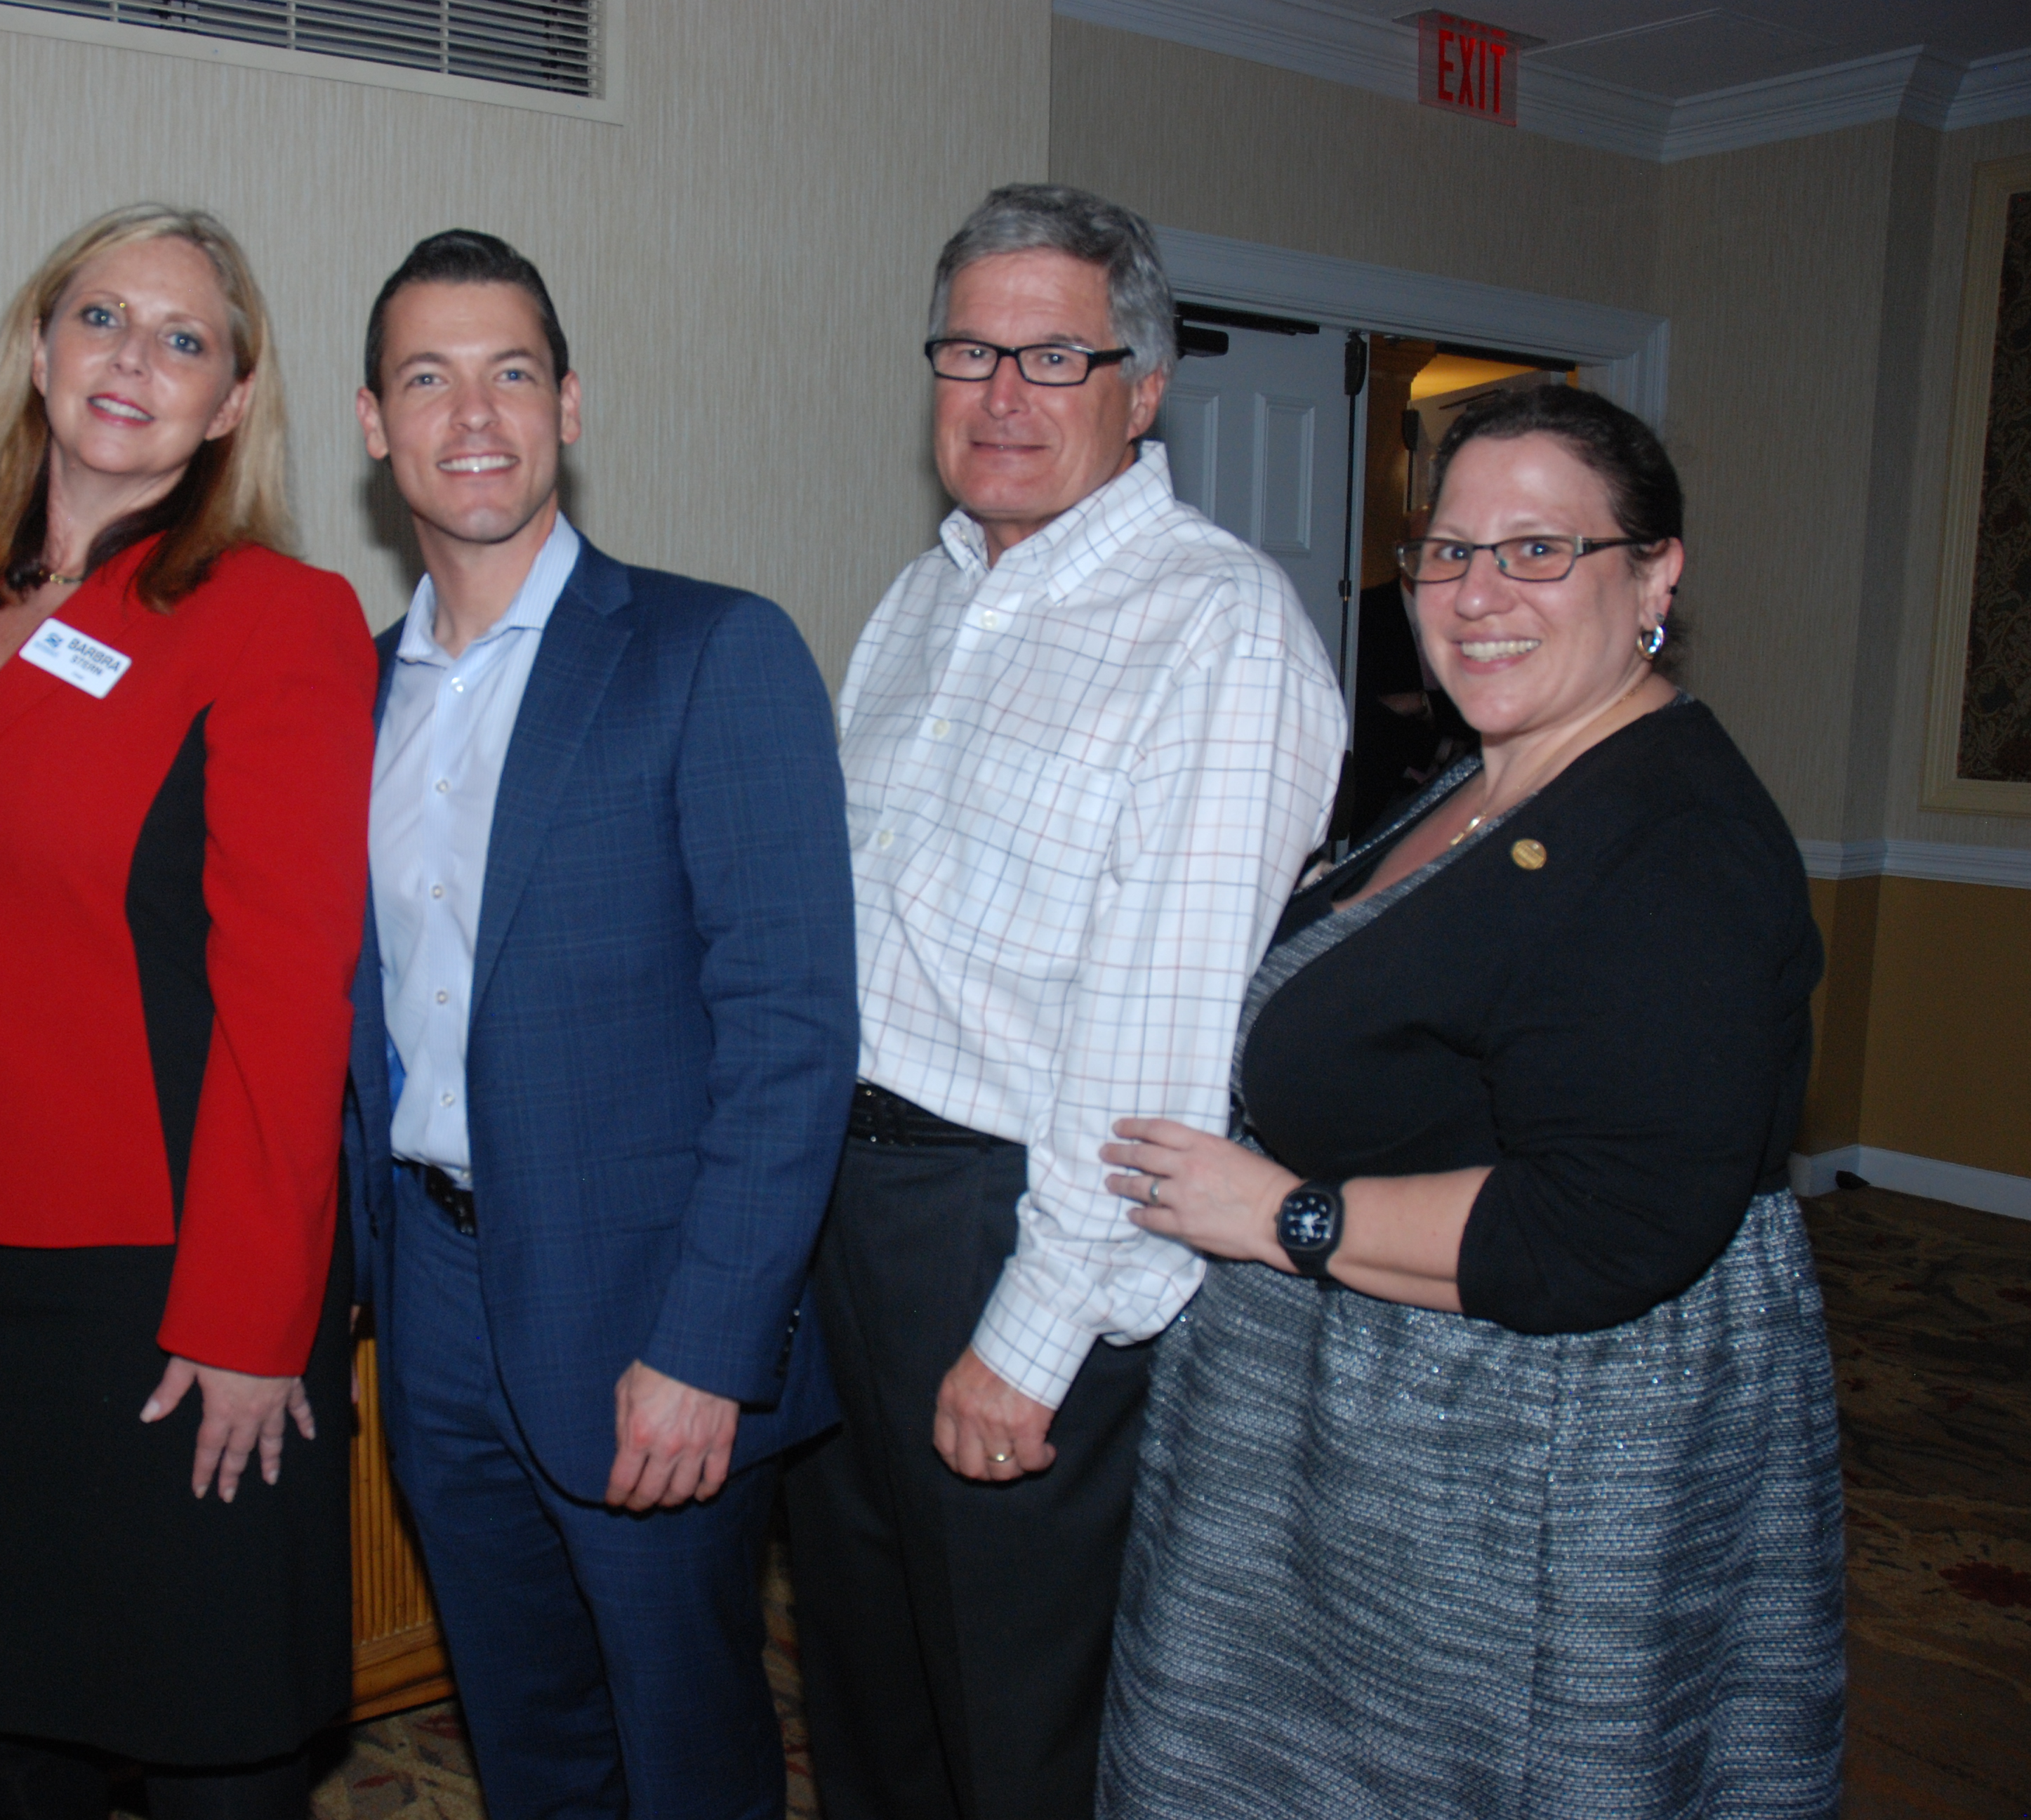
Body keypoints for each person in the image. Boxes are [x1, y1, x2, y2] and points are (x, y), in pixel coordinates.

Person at [1095, 383, 1844, 1818]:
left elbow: (1607, 1224)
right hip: (1364, 1443)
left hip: (1519, 1474)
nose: (1478, 594)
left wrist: (1288, 1216)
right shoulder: (1477, 782)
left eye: (1539, 550)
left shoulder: (1671, 841)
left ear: (1655, 577)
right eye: (1448, 553)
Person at [0, 203, 374, 1820]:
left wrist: (257, 1321)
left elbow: (288, 998)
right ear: (38, 352)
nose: (136, 360)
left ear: (234, 403)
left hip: (168, 1281)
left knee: (211, 1743)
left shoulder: (272, 616)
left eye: (186, 340)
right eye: (103, 318)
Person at [781, 183, 1347, 1819]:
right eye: (968, 351)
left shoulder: (1217, 628)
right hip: (847, 1219)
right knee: (865, 1685)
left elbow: (1156, 1039)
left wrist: (1031, 1342)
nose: (1001, 395)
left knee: (1016, 1728)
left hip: (1010, 1227)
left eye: (1053, 356)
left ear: (1143, 389)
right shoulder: (924, 596)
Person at [343, 229, 855, 1820]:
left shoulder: (714, 651)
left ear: (569, 404)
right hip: (432, 1294)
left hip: (650, 1313)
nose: (472, 414)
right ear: (375, 425)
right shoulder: (345, 696)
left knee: (686, 1742)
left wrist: (708, 1349)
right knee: (525, 1727)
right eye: (428, 377)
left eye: (510, 372)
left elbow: (791, 1031)